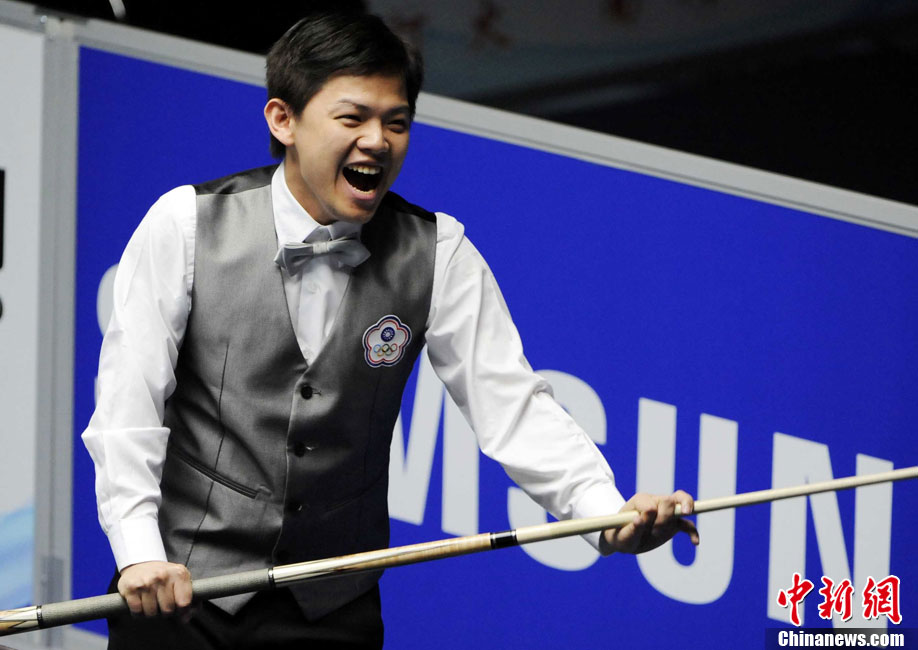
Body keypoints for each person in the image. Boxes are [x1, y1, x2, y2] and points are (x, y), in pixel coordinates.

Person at [82, 10, 699, 650]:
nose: (377, 141)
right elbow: (128, 407)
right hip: (181, 592)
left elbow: (514, 406)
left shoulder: (439, 252)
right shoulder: (184, 224)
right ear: (283, 120)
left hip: (332, 608)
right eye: (353, 118)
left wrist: (604, 512)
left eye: (396, 122)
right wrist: (138, 551)